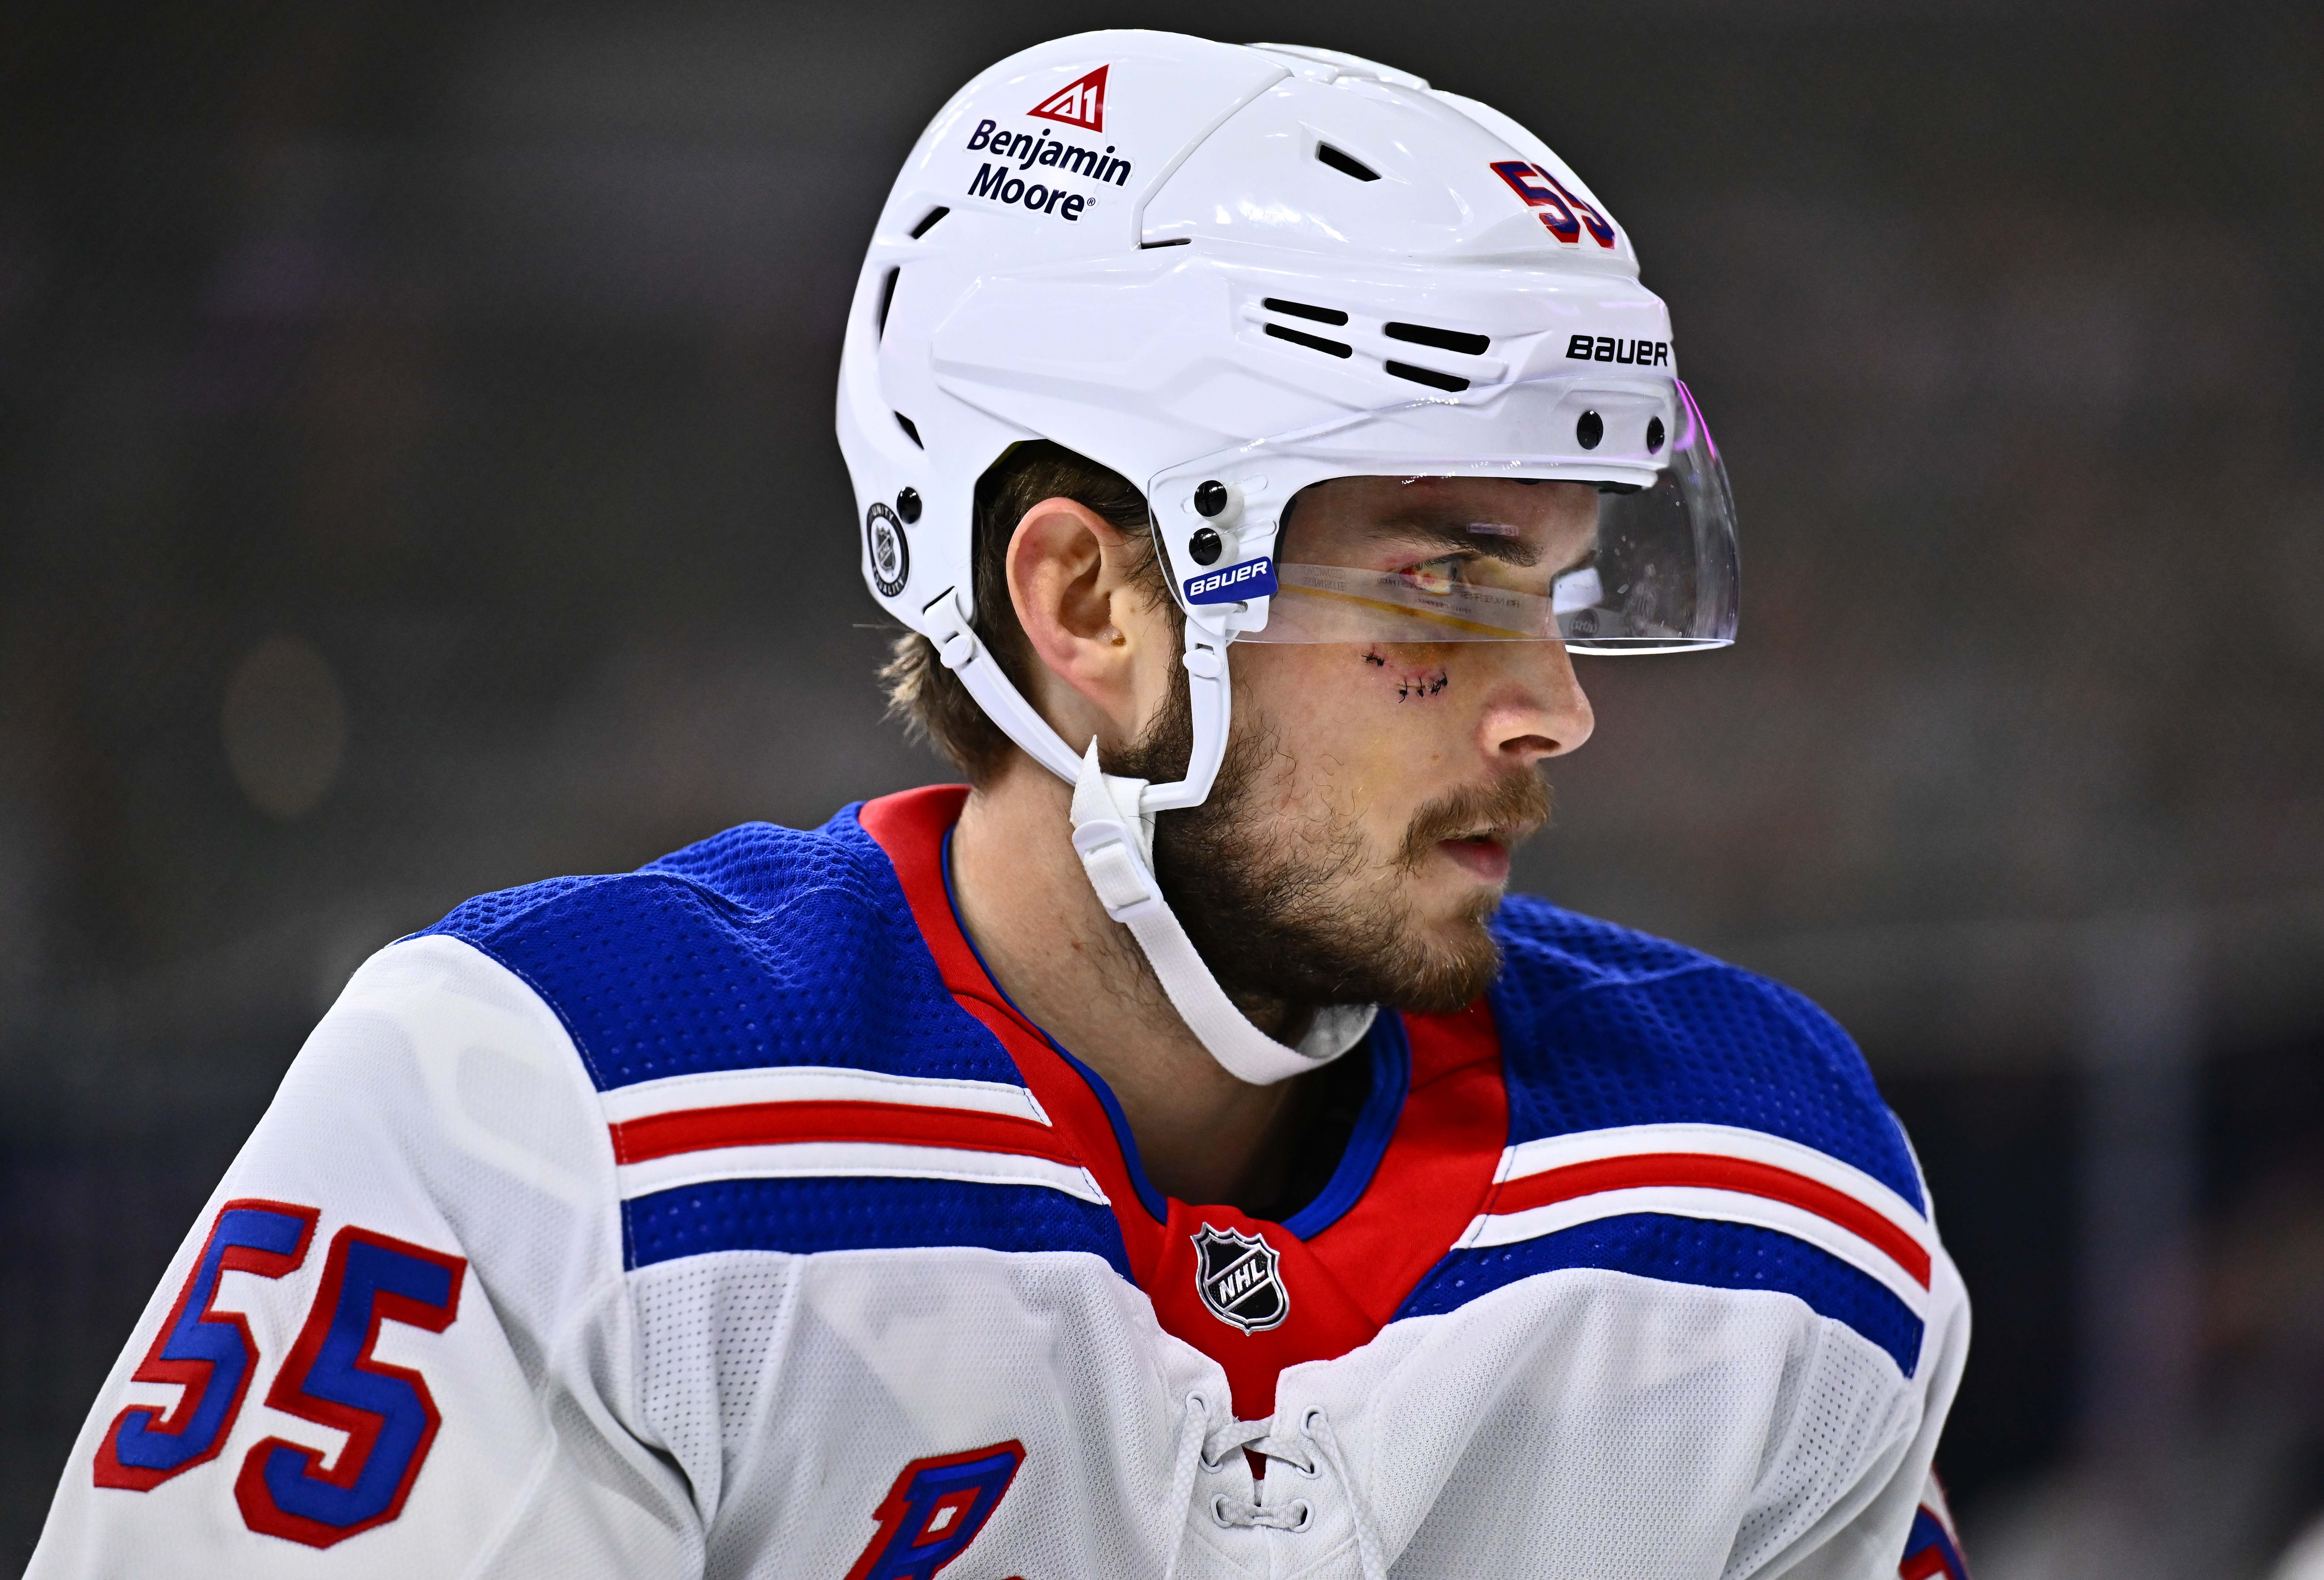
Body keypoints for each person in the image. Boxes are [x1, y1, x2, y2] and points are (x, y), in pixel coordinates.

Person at [29, 31, 1972, 1579]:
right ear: (1090, 604)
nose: (1554, 706)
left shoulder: (1766, 1196)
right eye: (1444, 581)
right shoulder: (565, 1119)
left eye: (1550, 593)